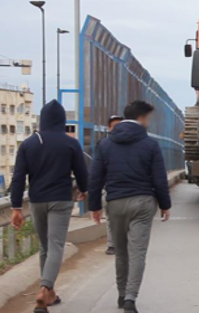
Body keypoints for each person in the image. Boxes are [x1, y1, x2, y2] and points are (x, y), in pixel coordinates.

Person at [88, 100, 171, 313]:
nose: (149, 123)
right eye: (149, 119)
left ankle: (121, 294)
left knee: (121, 252)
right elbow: (159, 178)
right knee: (138, 253)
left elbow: (96, 177)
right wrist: (164, 204)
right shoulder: (150, 144)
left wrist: (95, 206)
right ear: (142, 118)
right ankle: (131, 299)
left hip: (115, 202)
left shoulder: (105, 144)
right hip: (143, 202)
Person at [9, 100, 89, 312]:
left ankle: (50, 293)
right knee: (55, 246)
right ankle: (44, 289)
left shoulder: (28, 143)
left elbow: (18, 178)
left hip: (36, 201)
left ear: (42, 119)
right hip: (60, 200)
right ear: (62, 121)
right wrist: (84, 189)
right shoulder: (70, 143)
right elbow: (81, 172)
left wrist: (16, 207)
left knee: (45, 247)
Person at [102, 115, 124, 256]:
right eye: (114, 126)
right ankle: (112, 245)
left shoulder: (132, 144)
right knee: (110, 218)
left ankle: (122, 243)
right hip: (109, 187)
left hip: (126, 188)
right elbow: (97, 169)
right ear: (109, 128)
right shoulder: (103, 144)